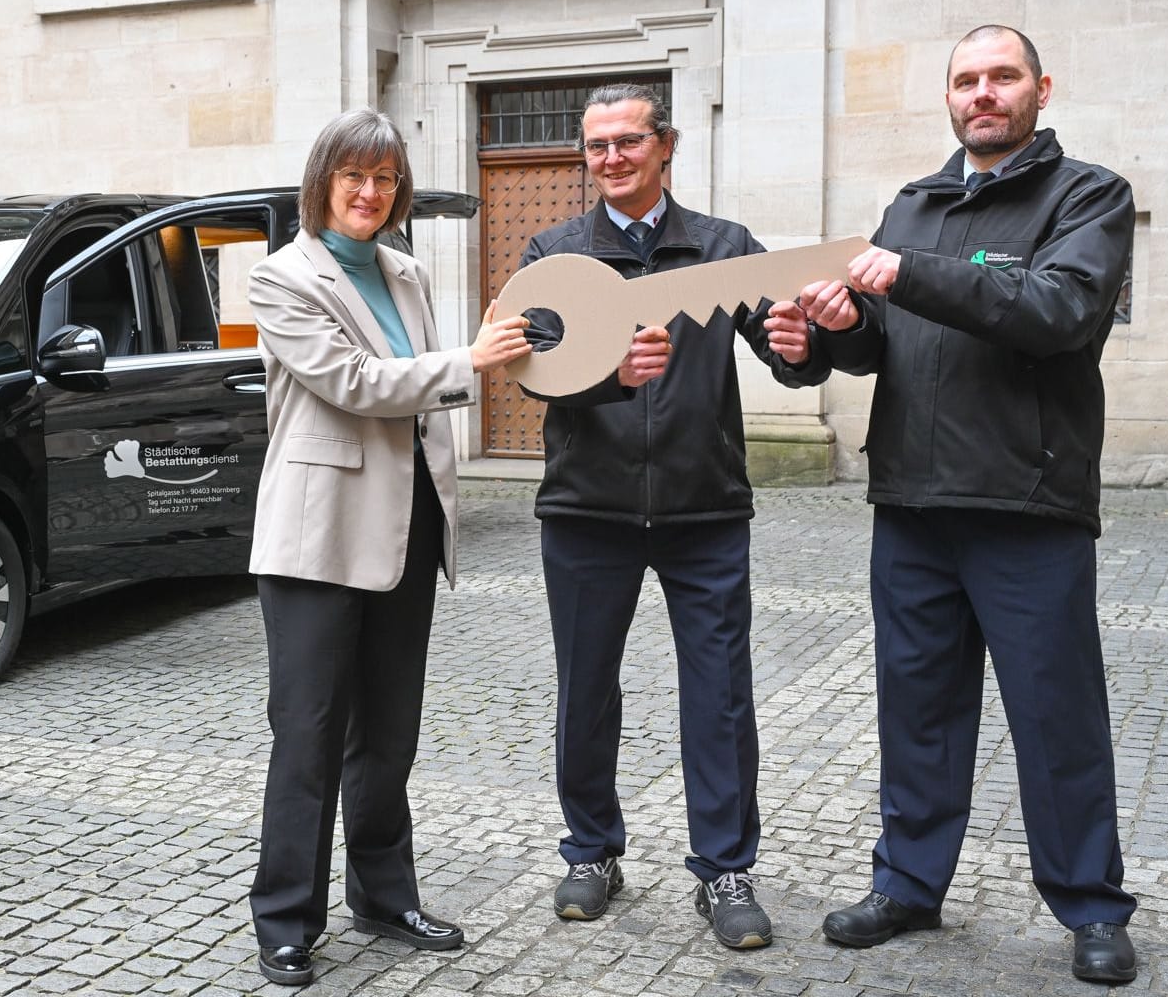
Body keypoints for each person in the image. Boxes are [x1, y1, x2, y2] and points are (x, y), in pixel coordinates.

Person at [787, 25, 1140, 984]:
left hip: (1026, 502)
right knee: (918, 713)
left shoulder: (1087, 196)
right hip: (910, 500)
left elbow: (1056, 312)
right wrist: (825, 332)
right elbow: (879, 344)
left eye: (1001, 78)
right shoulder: (914, 202)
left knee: (1054, 715)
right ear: (947, 98)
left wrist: (902, 275)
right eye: (965, 81)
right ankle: (908, 883)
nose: (982, 94)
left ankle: (1091, 906)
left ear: (1039, 87)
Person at [516, 83, 827, 950]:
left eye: (625, 141)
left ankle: (725, 869)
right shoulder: (555, 252)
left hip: (703, 511)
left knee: (721, 697)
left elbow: (788, 347)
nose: (609, 158)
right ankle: (589, 852)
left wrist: (806, 349)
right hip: (587, 509)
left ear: (664, 146)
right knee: (585, 691)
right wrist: (609, 373)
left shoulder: (723, 248)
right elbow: (532, 368)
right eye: (595, 146)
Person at [245, 108, 532, 987]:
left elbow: (414, 390)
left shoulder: (404, 272)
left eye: (385, 179)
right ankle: (286, 919)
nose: (370, 194)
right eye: (353, 177)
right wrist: (467, 363)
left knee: (389, 734)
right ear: (322, 181)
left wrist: (486, 361)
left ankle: (382, 893)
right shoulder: (280, 278)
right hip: (317, 535)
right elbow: (353, 384)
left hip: (405, 526)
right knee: (309, 735)